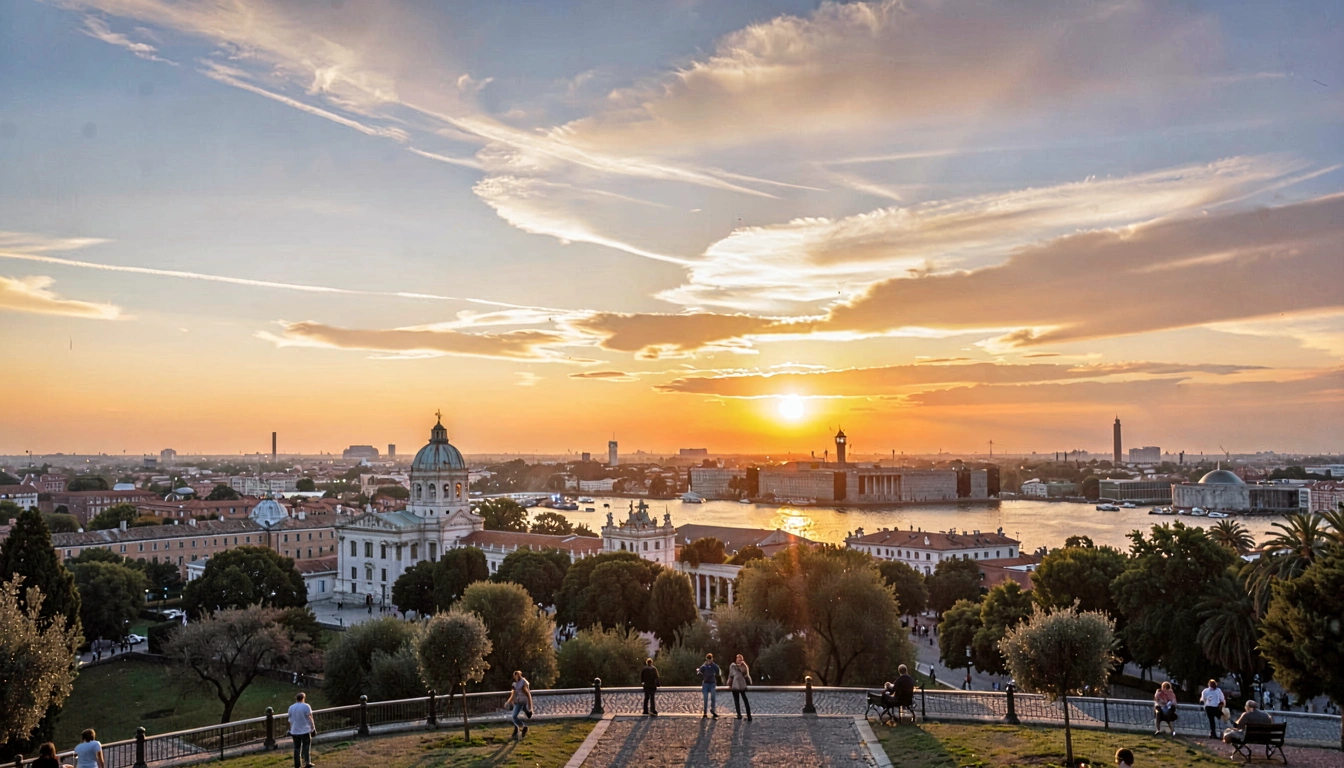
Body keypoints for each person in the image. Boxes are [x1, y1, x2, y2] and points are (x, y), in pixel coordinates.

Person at [287, 691, 316, 768]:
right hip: (305, 730)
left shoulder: (291, 707)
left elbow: (290, 720)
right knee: (306, 746)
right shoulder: (306, 706)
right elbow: (310, 718)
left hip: (295, 731)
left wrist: (290, 730)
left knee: (296, 748)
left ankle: (297, 764)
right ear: (303, 698)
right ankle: (307, 762)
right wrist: (313, 728)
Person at [505, 670, 532, 740]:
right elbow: (528, 693)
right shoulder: (525, 682)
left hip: (519, 701)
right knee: (515, 716)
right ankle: (516, 731)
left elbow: (513, 694)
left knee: (514, 717)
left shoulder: (517, 684)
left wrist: (508, 701)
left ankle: (523, 726)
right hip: (524, 701)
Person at [728, 654, 753, 721]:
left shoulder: (733, 666)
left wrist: (729, 684)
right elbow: (746, 676)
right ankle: (747, 715)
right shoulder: (744, 667)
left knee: (740, 700)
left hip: (736, 685)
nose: (738, 661)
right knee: (742, 700)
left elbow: (731, 676)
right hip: (741, 685)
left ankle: (742, 715)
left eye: (739, 660)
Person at [697, 653, 721, 719]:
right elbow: (699, 671)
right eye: (708, 660)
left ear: (712, 659)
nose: (709, 661)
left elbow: (719, 672)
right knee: (705, 698)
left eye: (710, 660)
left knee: (713, 697)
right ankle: (705, 712)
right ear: (706, 659)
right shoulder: (704, 666)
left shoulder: (715, 666)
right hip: (705, 684)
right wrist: (699, 670)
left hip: (712, 684)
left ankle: (713, 710)